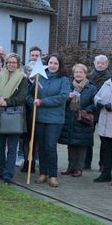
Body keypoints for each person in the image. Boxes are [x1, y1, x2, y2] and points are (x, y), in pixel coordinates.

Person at [0, 53, 29, 184]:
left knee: (12, 148)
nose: (11, 64)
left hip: (14, 116)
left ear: (18, 64)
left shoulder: (22, 78)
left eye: (14, 62)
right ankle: (0, 171)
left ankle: (8, 174)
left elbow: (22, 97)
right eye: (9, 62)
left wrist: (7, 102)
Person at [28, 54, 71, 187]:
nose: (52, 66)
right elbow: (30, 94)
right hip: (40, 118)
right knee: (41, 146)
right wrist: (32, 102)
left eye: (55, 63)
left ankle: (53, 175)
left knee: (50, 146)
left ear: (60, 65)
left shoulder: (63, 80)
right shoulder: (39, 77)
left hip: (55, 119)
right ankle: (43, 173)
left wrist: (42, 102)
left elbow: (63, 97)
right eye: (51, 63)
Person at [58, 63, 98, 177]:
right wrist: (68, 98)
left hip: (83, 119)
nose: (78, 74)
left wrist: (86, 110)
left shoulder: (91, 87)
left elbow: (95, 103)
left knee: (81, 145)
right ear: (73, 74)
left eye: (81, 72)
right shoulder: (68, 86)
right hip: (70, 119)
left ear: (85, 74)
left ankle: (79, 168)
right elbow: (62, 101)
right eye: (76, 72)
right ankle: (70, 167)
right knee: (71, 144)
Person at [21, 46, 44, 174]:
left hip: (37, 112)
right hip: (25, 112)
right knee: (25, 139)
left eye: (37, 55)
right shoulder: (23, 79)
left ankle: (33, 162)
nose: (35, 57)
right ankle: (26, 161)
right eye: (33, 55)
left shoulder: (42, 78)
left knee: (35, 140)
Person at [87, 54, 112, 170]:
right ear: (94, 63)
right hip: (90, 111)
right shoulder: (88, 77)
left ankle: (103, 164)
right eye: (98, 63)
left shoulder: (111, 78)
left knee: (105, 140)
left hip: (104, 112)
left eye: (103, 63)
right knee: (87, 138)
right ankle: (86, 162)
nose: (100, 65)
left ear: (107, 64)